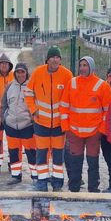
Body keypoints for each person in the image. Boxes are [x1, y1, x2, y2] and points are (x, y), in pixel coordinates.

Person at [61, 57, 111, 193]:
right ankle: (74, 188)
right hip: (74, 131)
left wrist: (101, 130)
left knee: (93, 162)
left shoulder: (102, 85)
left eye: (85, 65)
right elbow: (64, 107)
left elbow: (108, 111)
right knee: (75, 162)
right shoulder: (71, 83)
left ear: (91, 67)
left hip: (94, 133)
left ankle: (93, 189)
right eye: (81, 65)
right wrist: (66, 128)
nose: (82, 68)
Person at [24, 46, 73, 192]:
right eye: (52, 57)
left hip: (59, 124)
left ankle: (57, 182)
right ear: (47, 59)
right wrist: (33, 110)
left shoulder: (67, 75)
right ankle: (42, 182)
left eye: (57, 57)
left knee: (58, 155)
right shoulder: (38, 72)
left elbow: (71, 97)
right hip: (41, 123)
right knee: (41, 155)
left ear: (60, 60)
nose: (55, 60)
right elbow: (28, 93)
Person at [1, 63, 35, 185]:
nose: (20, 74)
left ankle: (35, 176)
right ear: (15, 73)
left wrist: (33, 120)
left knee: (31, 152)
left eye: (22, 72)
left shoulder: (32, 86)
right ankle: (16, 176)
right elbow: (3, 103)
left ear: (26, 73)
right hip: (11, 126)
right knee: (14, 152)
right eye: (18, 72)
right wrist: (3, 119)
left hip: (27, 125)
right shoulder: (10, 86)